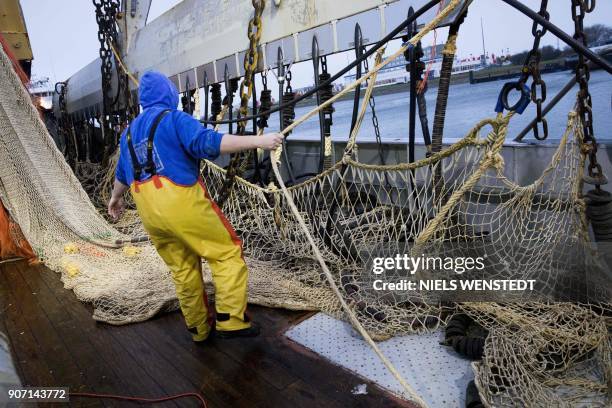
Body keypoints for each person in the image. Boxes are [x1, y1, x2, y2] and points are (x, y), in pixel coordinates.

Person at [108, 71, 283, 342]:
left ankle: (199, 330)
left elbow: (122, 175)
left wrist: (115, 199)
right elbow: (209, 143)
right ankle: (231, 321)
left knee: (182, 268)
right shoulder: (174, 119)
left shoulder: (128, 134)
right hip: (179, 200)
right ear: (168, 94)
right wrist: (260, 141)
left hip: (149, 210)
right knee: (226, 252)